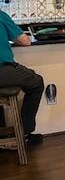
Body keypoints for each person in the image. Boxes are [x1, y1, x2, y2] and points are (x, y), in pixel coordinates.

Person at [0, 10, 44, 145]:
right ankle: (24, 133)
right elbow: (25, 41)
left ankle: (2, 135)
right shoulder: (1, 16)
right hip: (2, 69)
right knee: (36, 82)